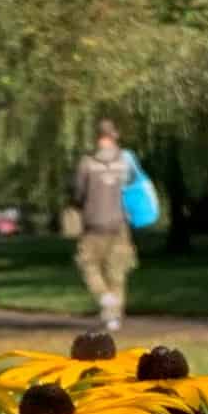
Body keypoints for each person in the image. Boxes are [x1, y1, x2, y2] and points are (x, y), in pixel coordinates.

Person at [71, 118, 137, 331]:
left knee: (89, 266)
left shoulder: (87, 163)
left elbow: (78, 194)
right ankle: (113, 318)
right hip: (119, 225)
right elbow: (136, 189)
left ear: (97, 137)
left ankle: (103, 296)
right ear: (114, 136)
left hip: (93, 225)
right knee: (117, 272)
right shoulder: (126, 162)